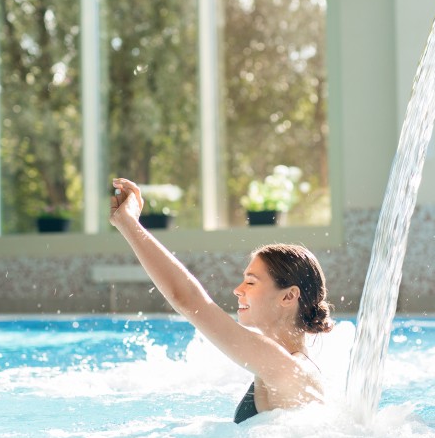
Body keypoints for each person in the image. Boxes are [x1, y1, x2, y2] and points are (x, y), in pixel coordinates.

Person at [109, 177, 335, 423]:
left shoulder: (285, 367)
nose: (238, 290)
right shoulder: (281, 364)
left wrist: (128, 222)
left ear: (289, 296)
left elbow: (187, 299)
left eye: (251, 282)